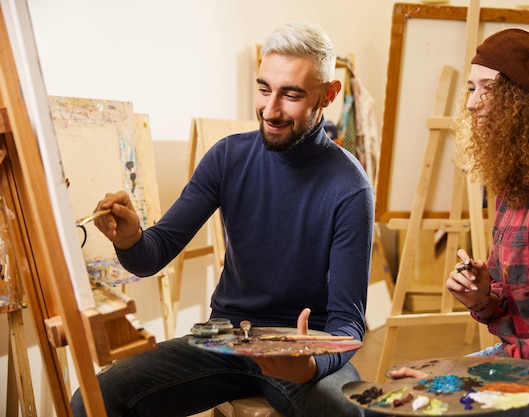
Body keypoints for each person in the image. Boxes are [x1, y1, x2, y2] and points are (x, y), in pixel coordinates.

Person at [71, 21, 374, 417]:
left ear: (328, 94)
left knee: (347, 412)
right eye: (264, 89)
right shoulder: (227, 157)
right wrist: (130, 239)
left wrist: (310, 364)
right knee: (93, 401)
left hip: (304, 348)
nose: (271, 109)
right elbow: (153, 254)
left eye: (291, 95)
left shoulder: (351, 188)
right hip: (227, 339)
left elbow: (348, 326)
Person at [384, 28, 529, 416]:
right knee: (394, 398)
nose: (471, 104)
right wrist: (484, 299)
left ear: (523, 101)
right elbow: (519, 316)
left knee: (413, 404)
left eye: (486, 88)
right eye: (470, 88)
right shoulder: (515, 180)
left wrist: (453, 377)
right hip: (525, 360)